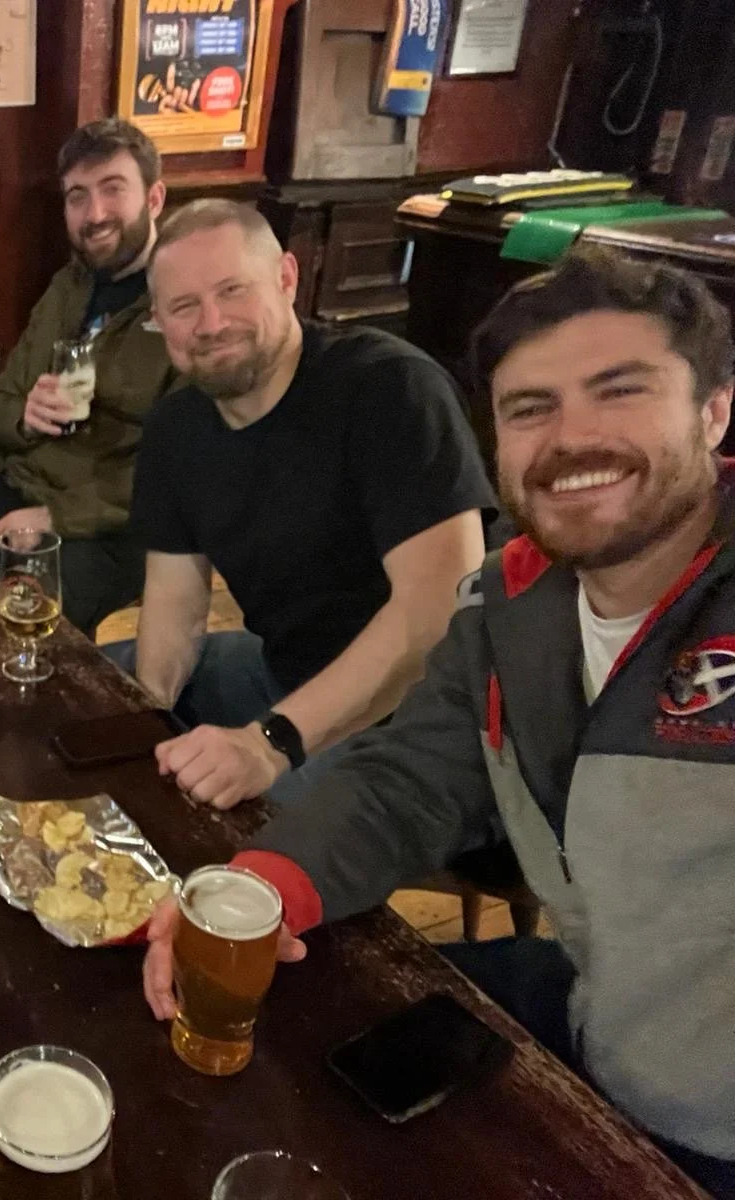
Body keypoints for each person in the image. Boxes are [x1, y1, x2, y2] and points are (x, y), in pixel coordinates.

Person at [142, 247, 735, 1198]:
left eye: (619, 390)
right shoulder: (514, 600)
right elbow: (410, 777)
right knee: (267, 1057)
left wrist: (273, 745)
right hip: (587, 1004)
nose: (572, 438)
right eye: (530, 408)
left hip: (698, 1127)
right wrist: (265, 884)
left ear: (714, 408)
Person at [112, 200, 493, 809]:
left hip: (434, 714)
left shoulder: (389, 387)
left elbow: (435, 613)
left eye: (232, 290)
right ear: (159, 320)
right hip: (284, 672)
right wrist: (137, 725)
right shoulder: (176, 426)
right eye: (184, 307)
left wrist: (268, 744)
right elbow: (175, 608)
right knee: (87, 691)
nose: (211, 323)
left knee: (244, 841)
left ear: (287, 278)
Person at [0, 118, 179, 633]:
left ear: (155, 197)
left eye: (113, 190)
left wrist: (56, 519)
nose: (94, 214)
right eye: (77, 196)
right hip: (20, 489)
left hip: (114, 530)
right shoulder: (67, 287)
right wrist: (26, 419)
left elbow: (180, 472)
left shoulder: (183, 301)